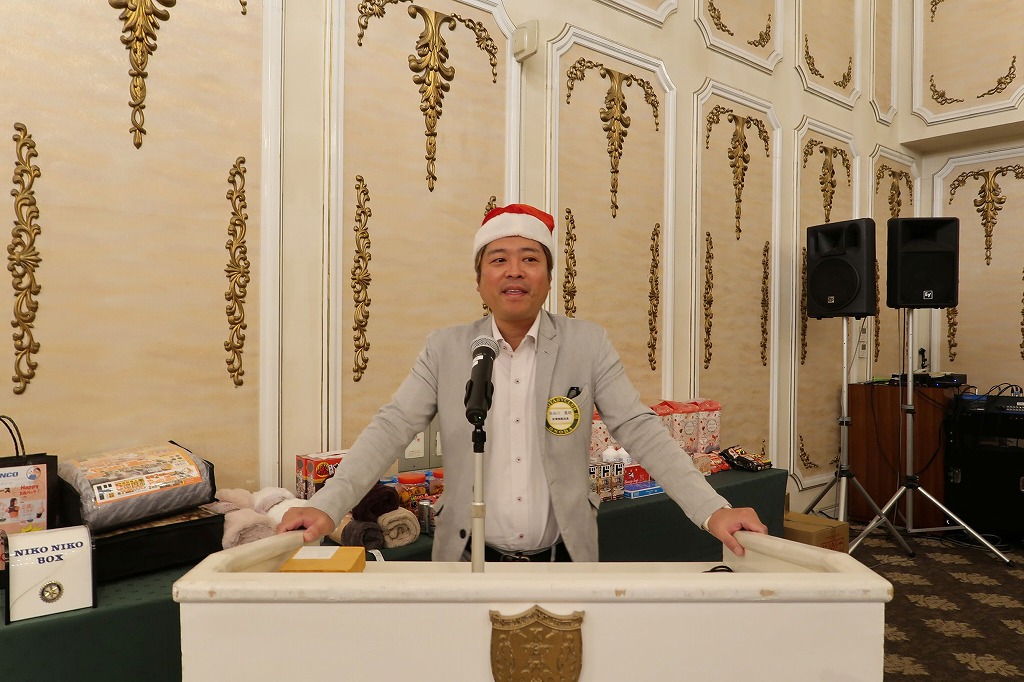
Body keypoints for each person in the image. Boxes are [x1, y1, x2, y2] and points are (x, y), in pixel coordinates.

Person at [277, 204, 767, 561]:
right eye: (498, 259)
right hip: (466, 559)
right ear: (478, 280)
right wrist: (326, 505)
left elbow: (640, 428)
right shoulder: (445, 348)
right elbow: (391, 427)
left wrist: (712, 509)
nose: (515, 271)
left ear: (549, 277)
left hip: (564, 557)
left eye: (530, 258)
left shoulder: (587, 343)